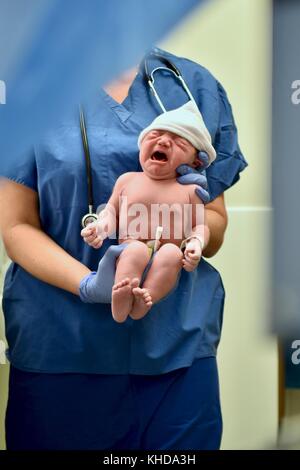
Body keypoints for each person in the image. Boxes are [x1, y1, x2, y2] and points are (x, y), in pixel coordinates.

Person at [0, 47, 247, 450]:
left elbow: (215, 223)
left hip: (177, 348)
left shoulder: (190, 85)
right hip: (61, 347)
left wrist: (181, 233)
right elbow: (16, 226)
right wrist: (88, 284)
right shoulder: (29, 88)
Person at [80, 101, 217, 322]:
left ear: (195, 162)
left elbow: (200, 226)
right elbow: (111, 213)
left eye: (179, 142)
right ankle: (122, 293)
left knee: (172, 253)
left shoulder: (191, 191)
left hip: (165, 259)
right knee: (135, 250)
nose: (163, 141)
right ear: (142, 144)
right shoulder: (128, 180)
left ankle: (145, 299)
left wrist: (196, 244)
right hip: (130, 250)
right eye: (154, 136)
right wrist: (99, 228)